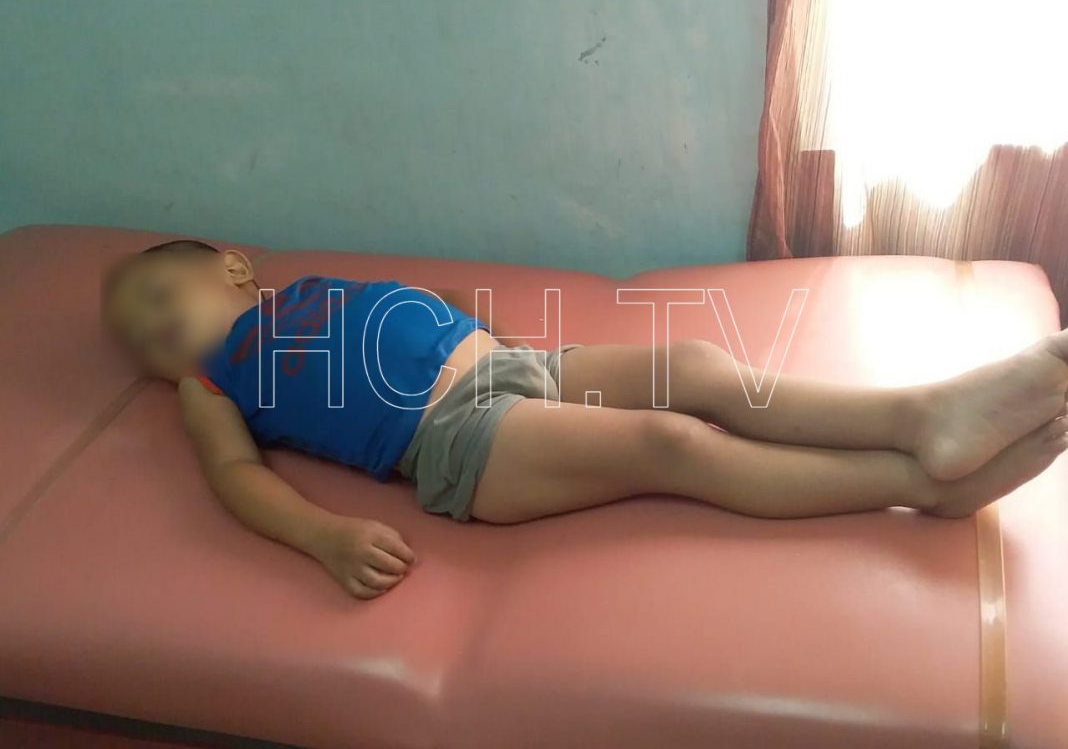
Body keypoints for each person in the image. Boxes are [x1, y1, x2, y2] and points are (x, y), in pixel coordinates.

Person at [101, 239, 1068, 599]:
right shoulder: (210, 382)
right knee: (671, 443)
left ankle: (923, 410)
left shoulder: (309, 285)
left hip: (515, 367)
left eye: (154, 296)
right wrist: (327, 537)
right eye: (135, 338)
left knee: (697, 366)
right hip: (457, 442)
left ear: (232, 267)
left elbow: (417, 304)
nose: (148, 330)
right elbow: (235, 477)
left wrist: (491, 334)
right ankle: (918, 482)